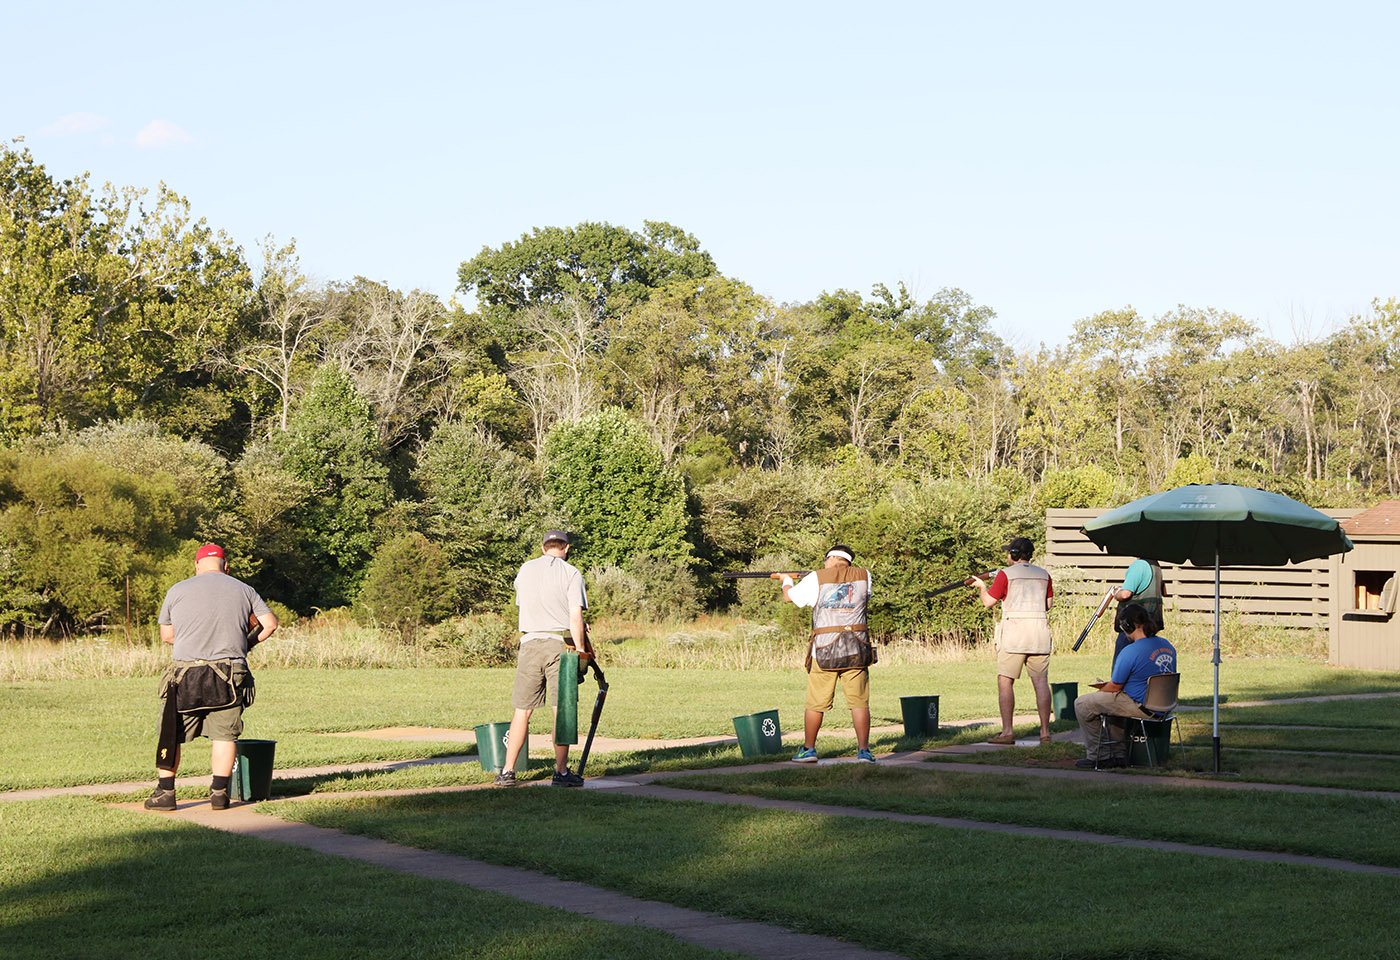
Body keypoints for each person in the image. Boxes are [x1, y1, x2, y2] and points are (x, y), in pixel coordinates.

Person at [145, 543, 278, 811]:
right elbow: (270, 624)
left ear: (196, 566)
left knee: (172, 733)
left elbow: (167, 635)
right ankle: (219, 793)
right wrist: (246, 644)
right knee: (224, 735)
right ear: (225, 565)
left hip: (185, 674)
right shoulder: (244, 589)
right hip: (229, 673)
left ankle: (166, 794)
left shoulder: (177, 589)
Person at [496, 530, 589, 787]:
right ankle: (560, 772)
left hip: (528, 642)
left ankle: (507, 771)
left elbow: (526, 603)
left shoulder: (525, 570)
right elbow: (574, 616)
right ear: (566, 548)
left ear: (543, 546)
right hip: (558, 643)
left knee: (522, 710)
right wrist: (580, 649)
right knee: (562, 711)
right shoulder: (571, 573)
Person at [775, 545, 876, 763]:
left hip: (824, 649)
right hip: (857, 648)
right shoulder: (865, 576)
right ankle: (864, 751)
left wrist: (786, 580)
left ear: (830, 559)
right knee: (859, 702)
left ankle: (809, 749)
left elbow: (789, 598)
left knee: (815, 703)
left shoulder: (815, 578)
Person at [1073, 602, 1178, 769]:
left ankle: (1100, 755)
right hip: (1165, 706)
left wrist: (1102, 687)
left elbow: (1115, 686)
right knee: (1113, 704)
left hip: (1142, 706)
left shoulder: (1130, 651)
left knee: (1083, 704)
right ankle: (1120, 754)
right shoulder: (1168, 646)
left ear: (1127, 626)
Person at [971, 537, 1053, 746]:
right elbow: (1048, 604)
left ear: (1014, 555)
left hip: (1014, 635)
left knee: (1005, 681)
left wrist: (981, 586)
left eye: (1009, 552)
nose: (1007, 555)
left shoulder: (1006, 575)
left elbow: (988, 602)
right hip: (1039, 633)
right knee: (1041, 682)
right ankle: (1045, 733)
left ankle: (1007, 732)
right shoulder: (1044, 575)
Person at [1111, 558, 1166, 666]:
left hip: (1133, 626)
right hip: (1150, 625)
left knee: (1121, 664)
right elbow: (1165, 591)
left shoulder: (1139, 565)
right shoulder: (1155, 565)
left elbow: (1125, 594)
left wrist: (1116, 593)